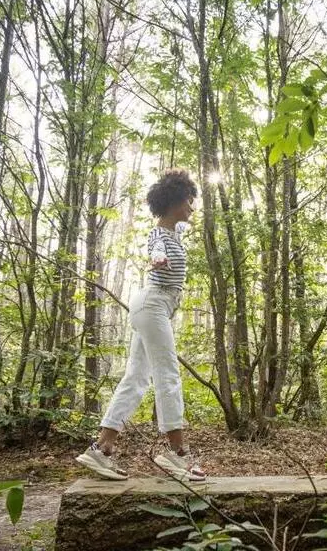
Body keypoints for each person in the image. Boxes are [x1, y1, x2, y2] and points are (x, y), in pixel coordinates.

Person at [75, 168, 205, 482]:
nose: (192, 207)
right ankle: (177, 454)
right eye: (188, 200)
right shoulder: (159, 235)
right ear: (174, 202)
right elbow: (155, 248)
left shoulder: (175, 232)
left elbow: (177, 228)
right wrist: (157, 259)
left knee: (135, 379)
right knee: (168, 374)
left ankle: (102, 448)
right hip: (153, 305)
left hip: (154, 307)